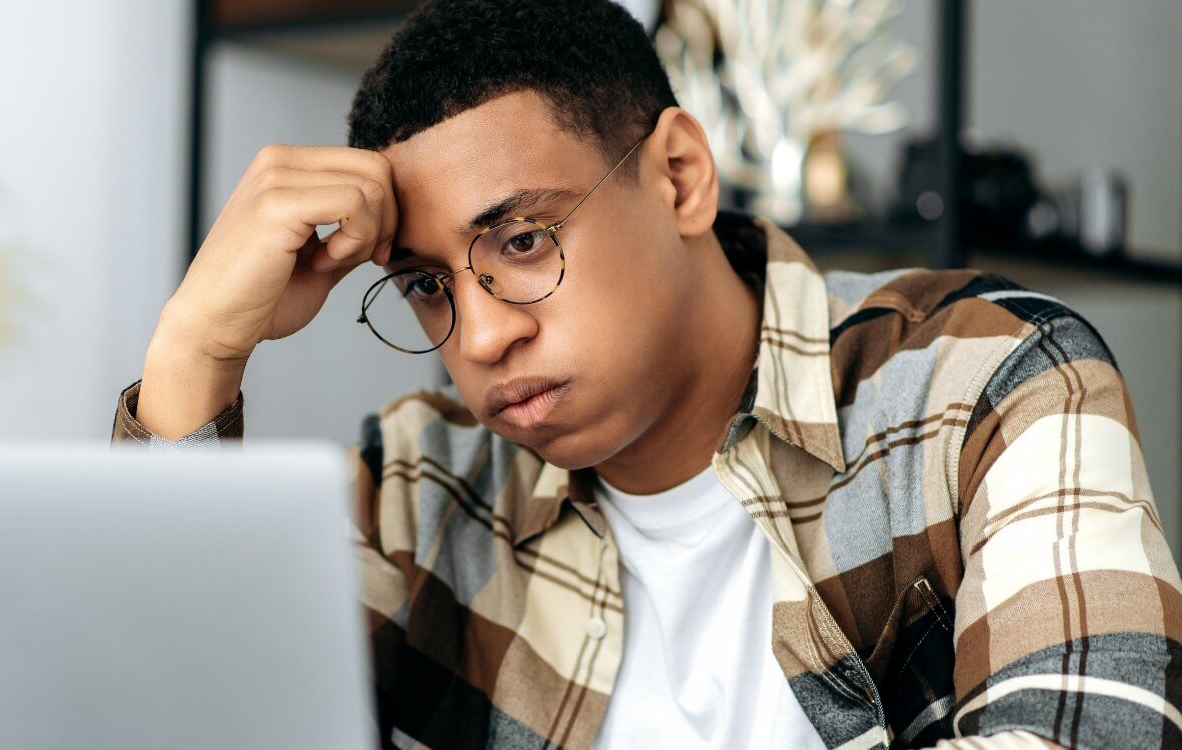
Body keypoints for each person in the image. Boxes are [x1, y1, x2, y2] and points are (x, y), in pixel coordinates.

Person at [111, 1, 1182, 747]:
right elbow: (152, 715)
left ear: (679, 175)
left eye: (523, 242)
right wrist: (195, 352)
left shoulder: (988, 386)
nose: (478, 339)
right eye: (429, 287)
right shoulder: (420, 494)